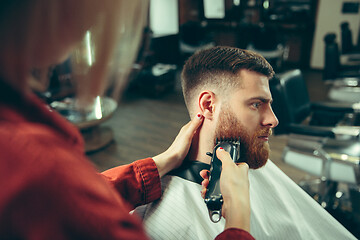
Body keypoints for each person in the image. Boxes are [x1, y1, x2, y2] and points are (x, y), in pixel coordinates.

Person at [0, 1, 254, 239]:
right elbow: (61, 198)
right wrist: (239, 217)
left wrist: (158, 164)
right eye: (256, 103)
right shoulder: (39, 172)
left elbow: (65, 199)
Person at [134, 46, 357, 240]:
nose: (274, 120)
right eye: (256, 104)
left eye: (268, 104)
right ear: (209, 106)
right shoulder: (164, 220)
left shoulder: (248, 155)